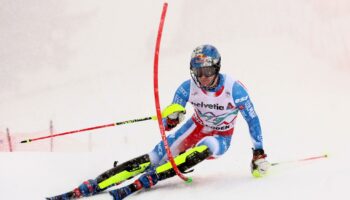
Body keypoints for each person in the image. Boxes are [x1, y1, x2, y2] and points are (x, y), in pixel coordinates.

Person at [48, 45, 270, 200]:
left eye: (208, 71)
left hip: (221, 135)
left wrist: (258, 152)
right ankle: (97, 182)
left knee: (207, 147)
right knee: (155, 156)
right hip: (195, 126)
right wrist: (172, 118)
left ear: (217, 68)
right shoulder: (187, 87)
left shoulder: (235, 89)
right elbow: (169, 122)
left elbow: (252, 119)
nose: (203, 78)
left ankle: (149, 179)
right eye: (198, 72)